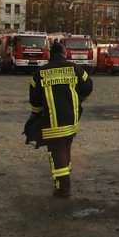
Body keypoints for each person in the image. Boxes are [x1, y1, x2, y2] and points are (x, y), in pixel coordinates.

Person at [28, 41, 93, 198]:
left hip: (51, 122)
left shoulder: (39, 73)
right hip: (71, 122)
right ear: (65, 54)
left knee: (56, 151)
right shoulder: (75, 69)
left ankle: (63, 188)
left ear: (51, 55)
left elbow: (35, 100)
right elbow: (88, 87)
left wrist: (35, 116)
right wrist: (79, 100)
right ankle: (66, 174)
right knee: (66, 145)